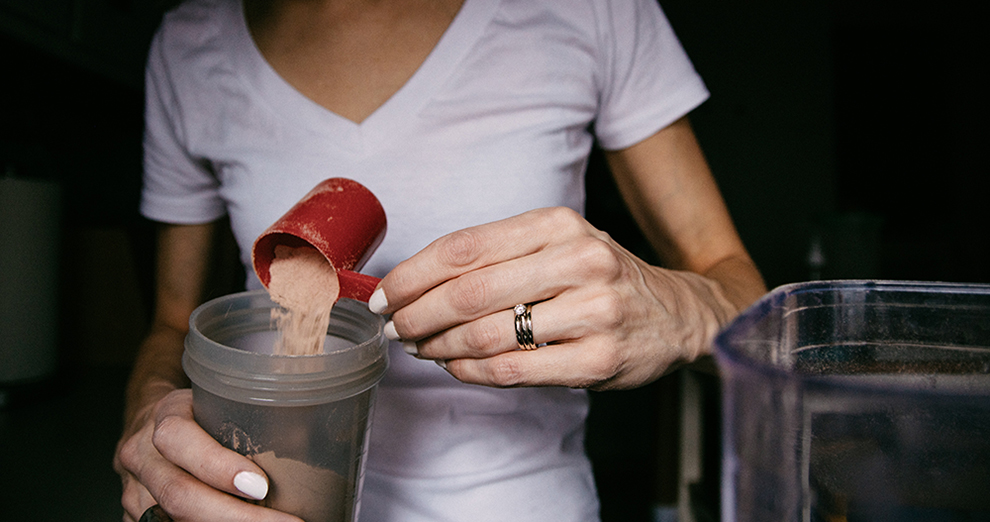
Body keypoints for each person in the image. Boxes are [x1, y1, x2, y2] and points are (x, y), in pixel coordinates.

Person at [113, 0, 767, 520]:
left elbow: (740, 292)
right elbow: (173, 322)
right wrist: (149, 414)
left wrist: (686, 310)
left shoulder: (591, 10)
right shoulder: (190, 45)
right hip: (270, 500)